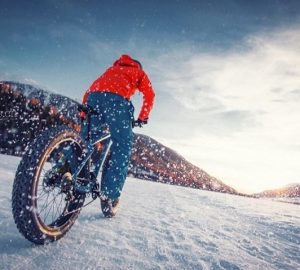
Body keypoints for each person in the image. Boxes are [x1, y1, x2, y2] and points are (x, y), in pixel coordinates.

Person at [81, 54, 155, 217]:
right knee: (122, 147)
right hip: (117, 102)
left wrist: (83, 113)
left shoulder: (111, 69)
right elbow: (150, 95)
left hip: (93, 99)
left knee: (84, 142)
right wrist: (143, 117)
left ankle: (65, 172)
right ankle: (109, 195)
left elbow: (89, 91)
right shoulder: (138, 72)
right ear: (138, 66)